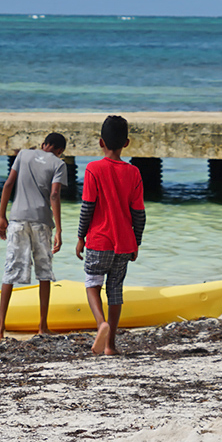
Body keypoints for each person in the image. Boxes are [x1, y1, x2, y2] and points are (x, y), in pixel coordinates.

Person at [75, 115, 146, 355]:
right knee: (115, 290)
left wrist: (80, 237)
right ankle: (111, 345)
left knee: (92, 284)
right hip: (125, 242)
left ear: (100, 142)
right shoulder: (134, 172)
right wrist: (137, 242)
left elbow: (88, 207)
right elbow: (139, 213)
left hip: (99, 240)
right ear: (126, 143)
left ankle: (100, 323)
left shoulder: (93, 169)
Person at [0, 133, 68, 340]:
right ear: (60, 150)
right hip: (42, 221)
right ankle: (42, 327)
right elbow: (54, 195)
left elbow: (8, 184)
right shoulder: (59, 164)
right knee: (44, 273)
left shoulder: (24, 154)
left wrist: (1, 216)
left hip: (17, 220)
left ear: (44, 145)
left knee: (10, 271)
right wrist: (59, 229)